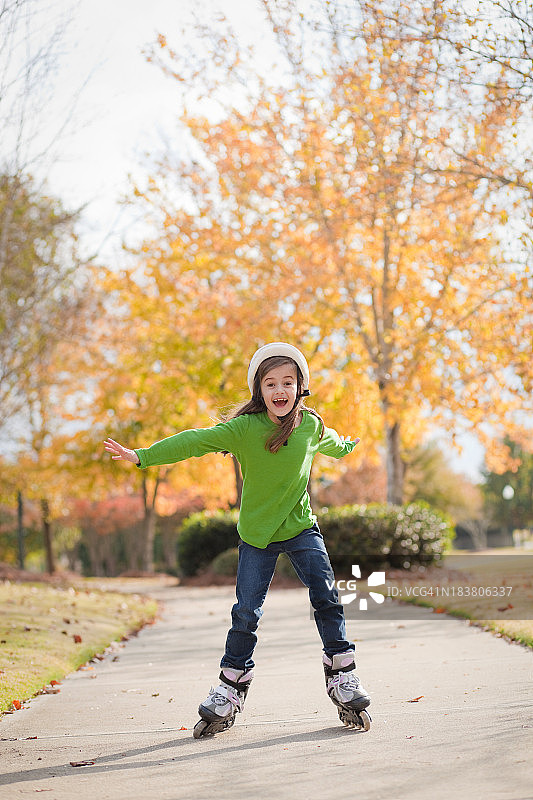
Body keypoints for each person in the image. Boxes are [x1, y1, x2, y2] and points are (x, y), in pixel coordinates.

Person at [104, 342, 371, 735]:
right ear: (259, 391)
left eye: (287, 382)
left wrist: (349, 446)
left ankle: (342, 673)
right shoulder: (244, 429)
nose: (280, 391)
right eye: (270, 383)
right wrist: (142, 455)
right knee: (246, 612)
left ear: (300, 386)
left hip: (300, 528)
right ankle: (231, 687)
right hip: (257, 537)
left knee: (326, 595)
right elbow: (194, 441)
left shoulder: (311, 426)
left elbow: (332, 444)